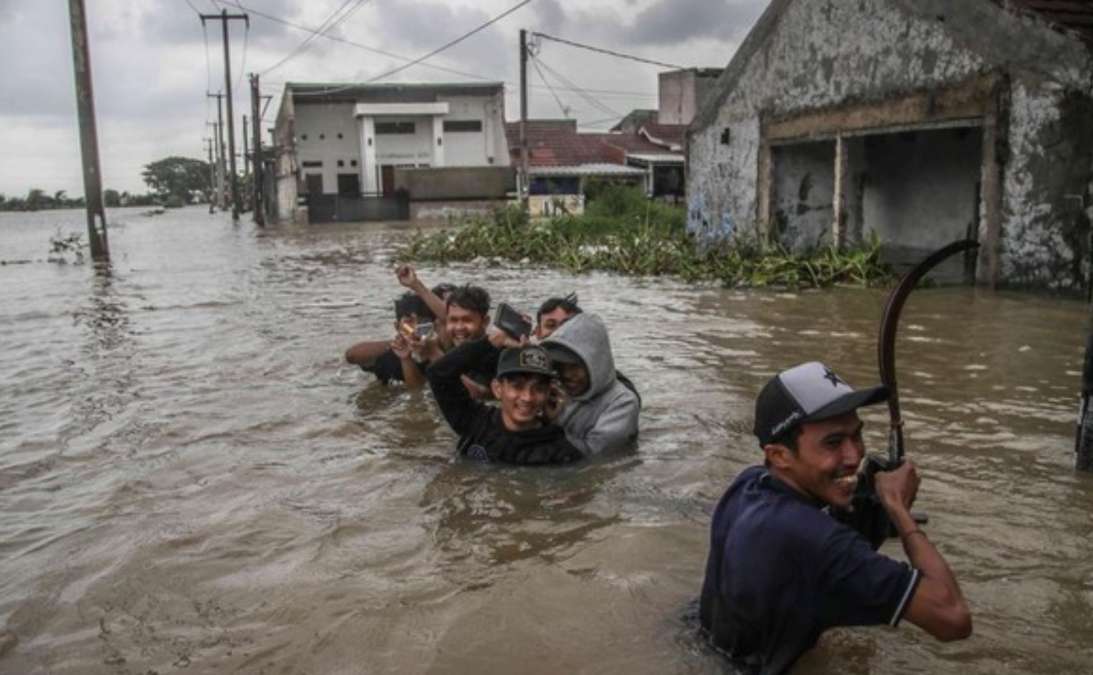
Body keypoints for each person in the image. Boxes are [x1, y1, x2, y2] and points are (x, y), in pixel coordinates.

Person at [699, 362, 972, 674]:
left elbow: (832, 561)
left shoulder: (748, 485)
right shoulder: (814, 540)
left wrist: (868, 506)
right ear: (780, 455)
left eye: (857, 436)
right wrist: (898, 509)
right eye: (833, 443)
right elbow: (953, 618)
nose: (854, 457)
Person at [426, 339, 582, 464]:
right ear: (497, 388)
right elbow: (439, 373)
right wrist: (489, 342)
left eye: (538, 389)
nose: (527, 397)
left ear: (549, 393)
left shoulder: (559, 452)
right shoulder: (475, 421)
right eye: (517, 386)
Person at [541, 313, 640, 456]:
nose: (567, 375)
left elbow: (593, 455)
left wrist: (550, 429)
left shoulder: (623, 402)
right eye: (561, 366)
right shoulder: (556, 390)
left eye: (575, 367)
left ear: (596, 363)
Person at [344, 291, 435, 387]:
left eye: (423, 321)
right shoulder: (389, 360)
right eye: (409, 321)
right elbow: (352, 355)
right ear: (397, 327)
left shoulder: (441, 352)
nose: (416, 327)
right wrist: (400, 345)